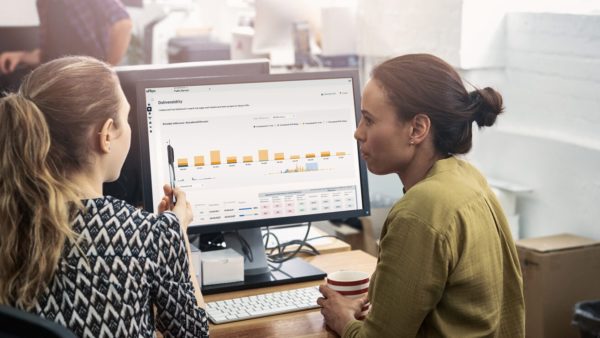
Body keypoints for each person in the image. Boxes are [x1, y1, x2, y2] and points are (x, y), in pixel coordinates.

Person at [317, 54, 525, 337]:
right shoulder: (467, 177)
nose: (358, 133)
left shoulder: (420, 210)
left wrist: (343, 319)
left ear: (417, 129)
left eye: (368, 120)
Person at [0, 56, 209, 337]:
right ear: (106, 135)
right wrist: (177, 233)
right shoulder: (147, 235)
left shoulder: (9, 220)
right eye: (126, 117)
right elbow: (193, 333)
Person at [0, 0, 132, 75]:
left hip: (87, 80)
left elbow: (123, 24)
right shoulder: (43, 3)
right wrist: (21, 56)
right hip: (56, 80)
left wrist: (107, 69)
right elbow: (46, 54)